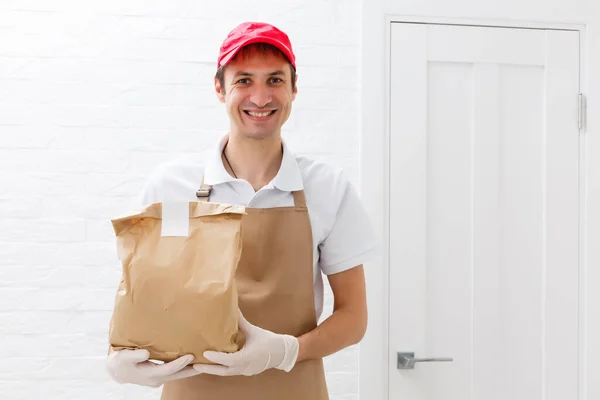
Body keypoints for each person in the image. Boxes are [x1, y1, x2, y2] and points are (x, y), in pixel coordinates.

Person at [105, 21, 378, 400]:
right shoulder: (172, 187)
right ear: (220, 88)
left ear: (294, 89)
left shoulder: (327, 189)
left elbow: (354, 318)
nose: (261, 97)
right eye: (244, 80)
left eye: (276, 80)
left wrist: (286, 351)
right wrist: (119, 354)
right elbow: (146, 298)